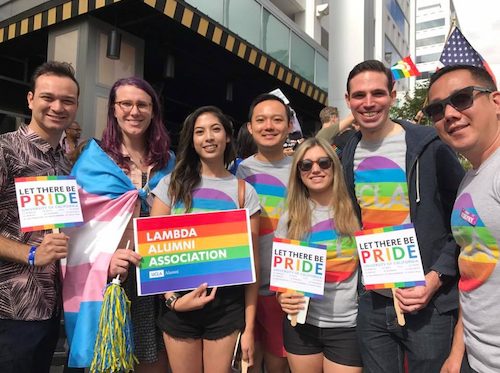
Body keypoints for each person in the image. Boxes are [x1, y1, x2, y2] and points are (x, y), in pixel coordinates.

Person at [330, 60, 465, 373]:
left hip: (427, 301)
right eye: (359, 95)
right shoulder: (349, 150)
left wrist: (435, 278)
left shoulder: (428, 145)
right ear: (348, 101)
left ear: (392, 95)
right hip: (373, 299)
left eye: (378, 93)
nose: (369, 102)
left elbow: (466, 219)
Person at [150, 106, 260, 373]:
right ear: (192, 139)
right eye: (200, 132)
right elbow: (154, 255)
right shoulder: (171, 185)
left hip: (226, 306)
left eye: (215, 129)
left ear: (228, 137)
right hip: (179, 303)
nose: (208, 137)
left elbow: (252, 266)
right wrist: (173, 301)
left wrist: (249, 328)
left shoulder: (244, 191)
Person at [0, 61, 78, 372]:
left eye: (67, 100)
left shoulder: (67, 163)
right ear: (31, 99)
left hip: (52, 310)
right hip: (11, 309)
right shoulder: (5, 151)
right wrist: (32, 254)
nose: (57, 107)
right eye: (48, 97)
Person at [424, 64, 500, 373]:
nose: (450, 114)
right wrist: (458, 353)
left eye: (463, 98)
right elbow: (473, 273)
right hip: (474, 356)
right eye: (438, 109)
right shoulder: (470, 179)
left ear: (496, 102)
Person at [101, 77, 174, 372]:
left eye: (143, 104)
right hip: (115, 274)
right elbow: (79, 229)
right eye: (126, 104)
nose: (134, 111)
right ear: (114, 110)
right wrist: (104, 260)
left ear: (153, 111)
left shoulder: (170, 162)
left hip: (162, 272)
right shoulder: (94, 160)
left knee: (155, 358)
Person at [276, 137, 363, 373]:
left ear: (335, 166)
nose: (315, 169)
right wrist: (282, 297)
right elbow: (283, 283)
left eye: (324, 163)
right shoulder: (290, 219)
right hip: (301, 325)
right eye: (306, 165)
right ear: (298, 173)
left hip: (348, 326)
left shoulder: (358, 213)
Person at [236, 93, 293, 373]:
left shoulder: (306, 169)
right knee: (245, 363)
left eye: (277, 119)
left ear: (289, 125)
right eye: (261, 120)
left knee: (277, 362)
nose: (268, 126)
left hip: (281, 289)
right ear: (250, 127)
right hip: (240, 287)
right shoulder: (236, 171)